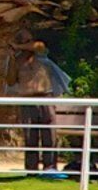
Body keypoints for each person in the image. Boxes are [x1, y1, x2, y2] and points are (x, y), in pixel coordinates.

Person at [8, 38, 73, 177]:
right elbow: (10, 80)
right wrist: (13, 59)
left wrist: (18, 44)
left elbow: (39, 46)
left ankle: (50, 167)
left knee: (49, 133)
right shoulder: (17, 61)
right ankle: (31, 169)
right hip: (27, 99)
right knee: (30, 135)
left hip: (45, 97)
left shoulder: (41, 56)